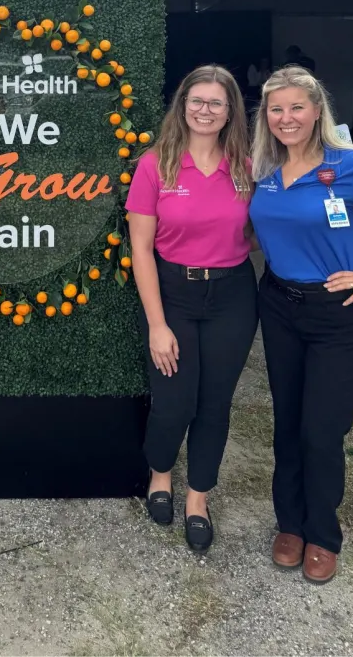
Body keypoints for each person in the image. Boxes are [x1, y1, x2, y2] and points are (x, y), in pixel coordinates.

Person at [250, 66, 353, 583]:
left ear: (318, 111)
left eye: (297, 107)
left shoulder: (352, 165)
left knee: (321, 429)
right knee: (288, 422)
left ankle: (322, 533)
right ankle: (290, 524)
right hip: (278, 303)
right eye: (276, 109)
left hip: (339, 311)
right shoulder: (265, 170)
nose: (286, 118)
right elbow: (260, 230)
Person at [126, 65, 256, 552]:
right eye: (196, 100)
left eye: (216, 103)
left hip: (233, 296)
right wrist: (157, 324)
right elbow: (140, 248)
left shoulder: (248, 165)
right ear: (182, 106)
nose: (205, 110)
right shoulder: (155, 164)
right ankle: (161, 473)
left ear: (229, 112)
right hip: (172, 293)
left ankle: (198, 496)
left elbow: (271, 223)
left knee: (214, 404)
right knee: (174, 402)